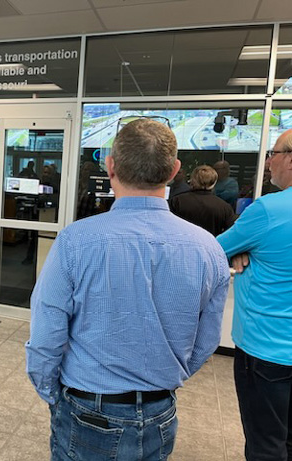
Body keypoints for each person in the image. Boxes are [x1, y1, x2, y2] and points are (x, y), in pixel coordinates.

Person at [26, 119, 230, 461]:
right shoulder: (208, 248)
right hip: (160, 411)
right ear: (174, 171)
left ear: (110, 166)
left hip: (87, 407)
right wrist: (163, 381)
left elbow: (46, 332)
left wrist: (51, 393)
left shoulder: (76, 241)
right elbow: (205, 343)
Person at [216, 130, 292, 460]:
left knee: (266, 443)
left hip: (267, 349)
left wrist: (237, 250)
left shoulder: (269, 210)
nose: (269, 162)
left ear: (291, 159)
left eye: (274, 153)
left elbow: (211, 251)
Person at [170, 165, 236, 236]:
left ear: (193, 180)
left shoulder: (177, 201)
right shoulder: (224, 208)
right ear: (214, 182)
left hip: (181, 241)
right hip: (212, 242)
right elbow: (230, 233)